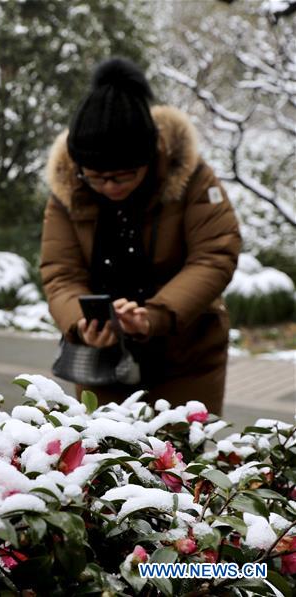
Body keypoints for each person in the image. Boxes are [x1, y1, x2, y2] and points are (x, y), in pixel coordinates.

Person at [40, 57, 241, 414]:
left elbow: (214, 256)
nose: (109, 187)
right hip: (101, 358)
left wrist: (153, 315)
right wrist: (82, 323)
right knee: (106, 460)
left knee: (182, 462)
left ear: (150, 160)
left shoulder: (192, 178)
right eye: (96, 177)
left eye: (123, 176)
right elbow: (61, 272)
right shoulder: (69, 187)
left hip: (188, 354)